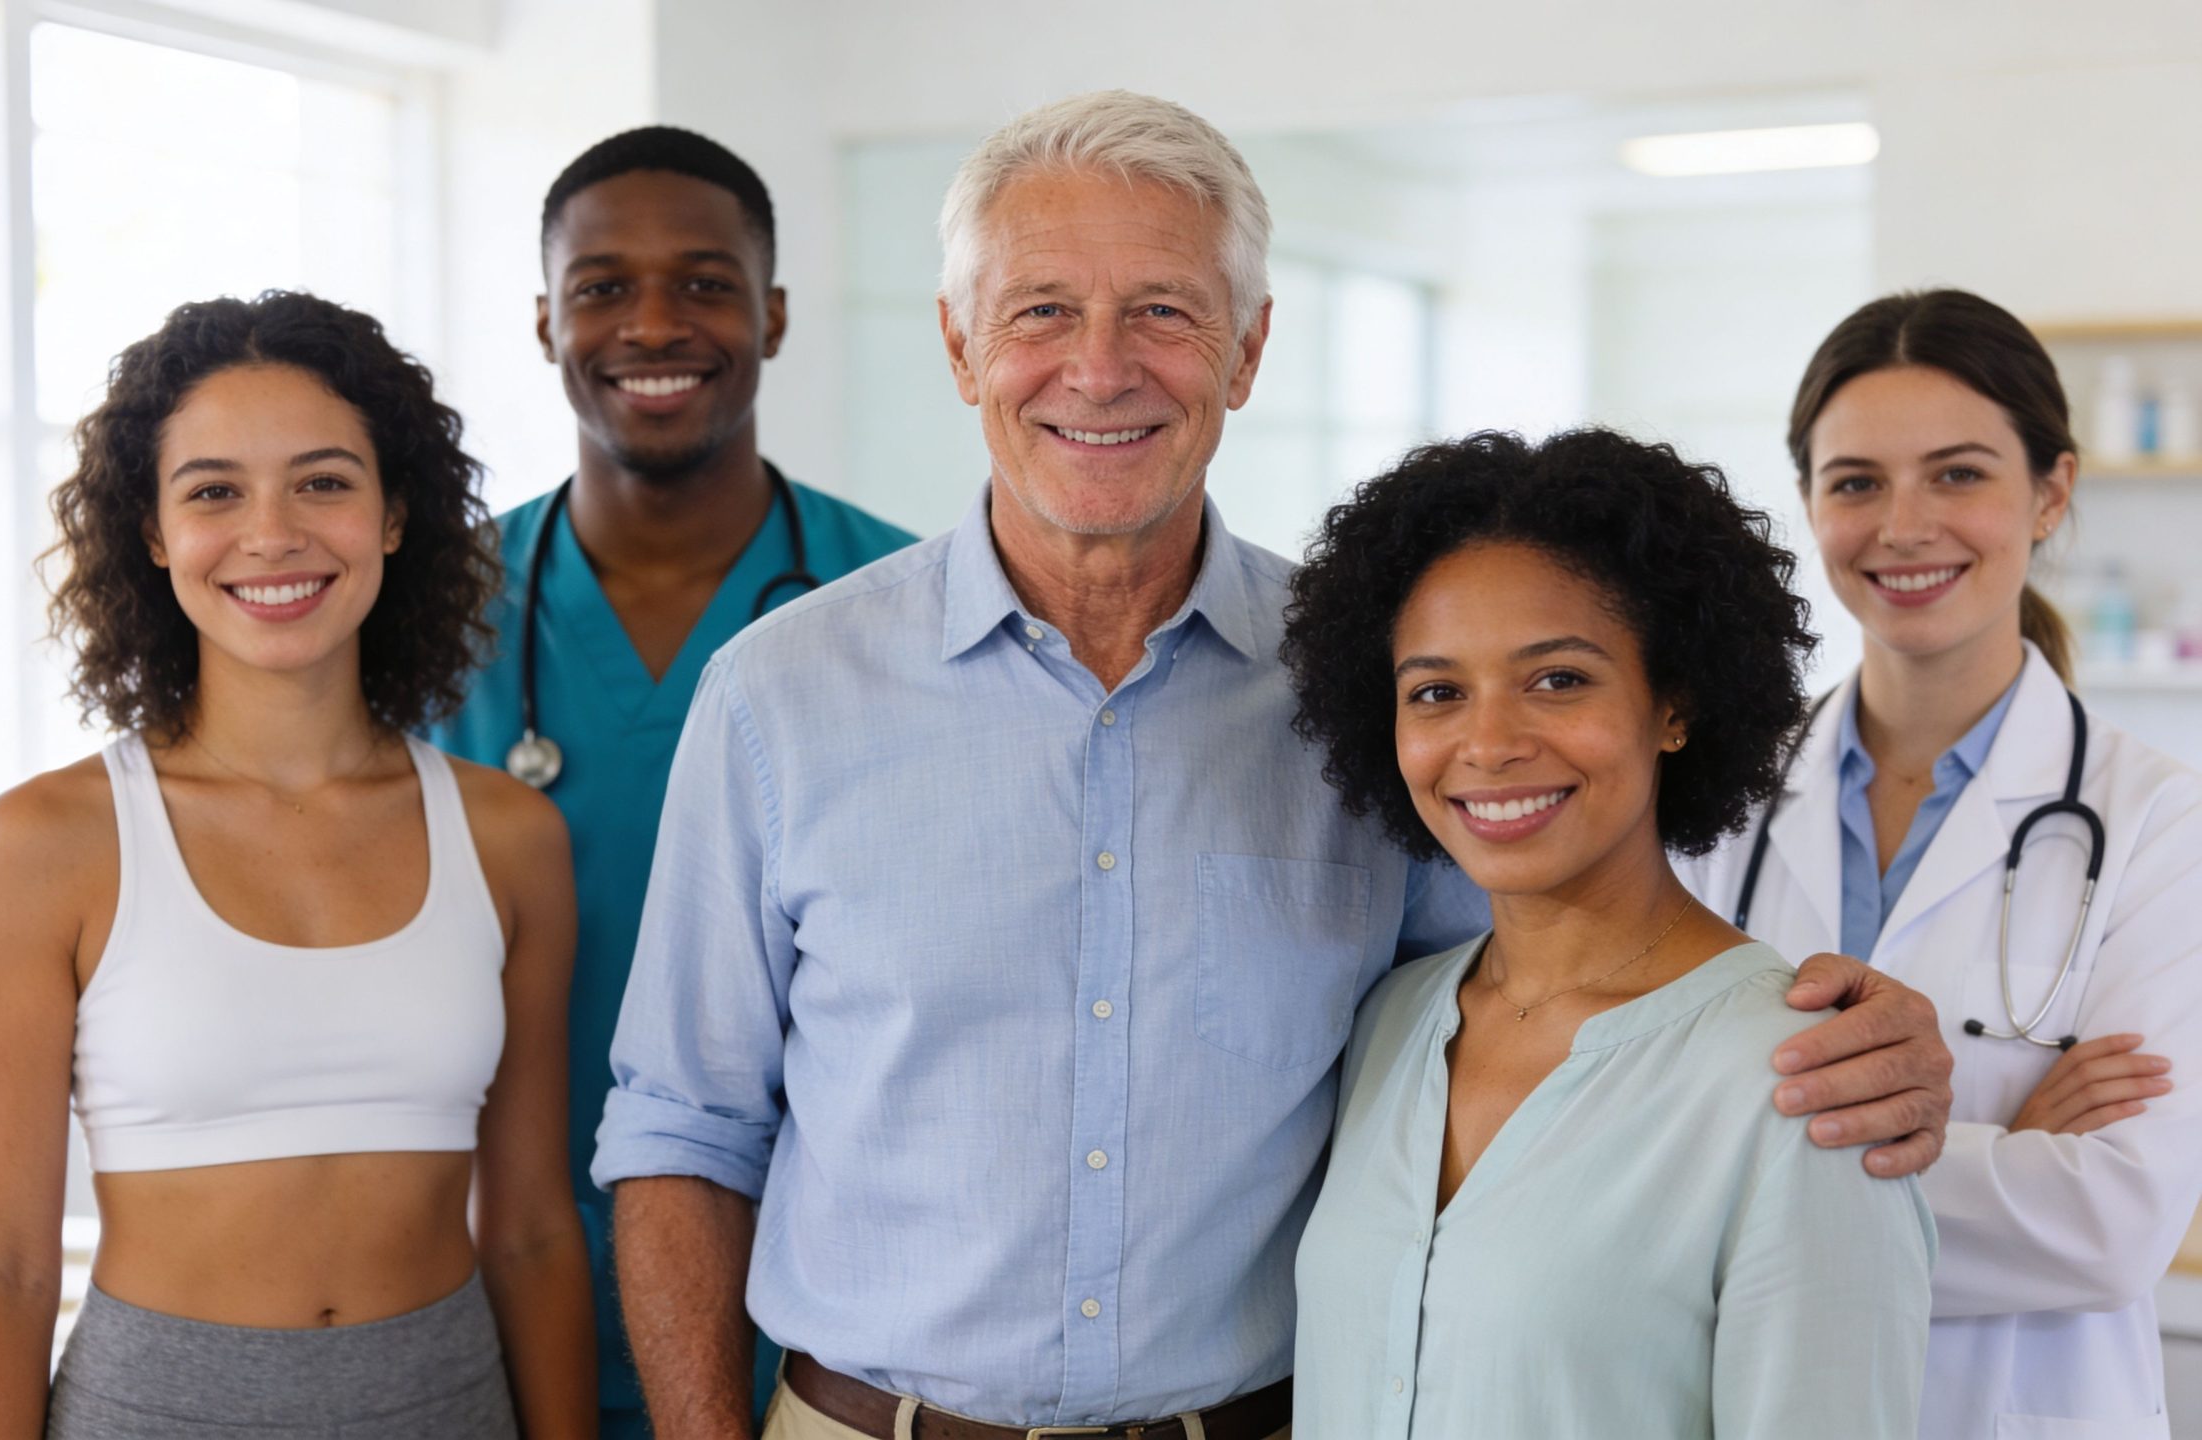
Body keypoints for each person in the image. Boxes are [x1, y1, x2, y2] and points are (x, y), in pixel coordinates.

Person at [593, 90, 1953, 1440]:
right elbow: (680, 1129)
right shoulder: (782, 695)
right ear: (961, 345)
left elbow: (1556, 976)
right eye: (1043, 310)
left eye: (1165, 311)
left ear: (1247, 350)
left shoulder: (1373, 702)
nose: (1102, 366)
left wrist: (1821, 1030)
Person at [0, 291, 595, 1439]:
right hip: (156, 1410)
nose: (273, 532)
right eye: (213, 492)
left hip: (449, 1405)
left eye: (324, 481)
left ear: (395, 514)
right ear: (152, 534)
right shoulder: (43, 847)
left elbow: (536, 1225)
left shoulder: (508, 838)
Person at [1281, 428, 1935, 1437]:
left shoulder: (1804, 1083)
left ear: (1673, 702)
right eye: (1436, 692)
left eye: (1558, 680)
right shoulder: (1387, 1025)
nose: (1489, 743)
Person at [431, 125, 915, 1440]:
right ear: (545, 320)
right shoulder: (425, 625)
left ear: (772, 314)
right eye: (602, 286)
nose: (655, 322)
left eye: (705, 281)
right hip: (490, 1300)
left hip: (826, 1335)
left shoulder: (905, 614)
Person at [1681, 288, 2202, 1439]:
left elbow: (2115, 1224)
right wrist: (2010, 1157)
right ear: (1810, 504)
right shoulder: (1715, 804)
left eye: (1958, 473)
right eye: (1855, 481)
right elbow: (1638, 1146)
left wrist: (1752, 1168)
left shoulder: (2160, 824)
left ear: (2050, 492)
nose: (1903, 526)